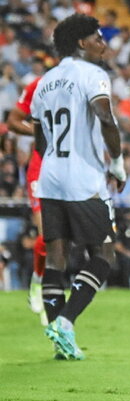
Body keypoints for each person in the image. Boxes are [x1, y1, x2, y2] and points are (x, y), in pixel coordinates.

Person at [30, 13, 127, 360]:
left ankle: (60, 340)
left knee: (56, 259)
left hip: (51, 175)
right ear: (82, 43)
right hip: (83, 178)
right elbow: (104, 117)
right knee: (103, 254)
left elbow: (40, 139)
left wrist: (56, 158)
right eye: (99, 38)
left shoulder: (45, 82)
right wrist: (116, 162)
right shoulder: (93, 75)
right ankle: (67, 322)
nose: (104, 44)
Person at [7, 74, 47, 325]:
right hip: (41, 168)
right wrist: (40, 132)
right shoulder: (40, 84)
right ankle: (38, 284)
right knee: (49, 233)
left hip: (71, 170)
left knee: (65, 239)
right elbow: (13, 121)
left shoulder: (87, 83)